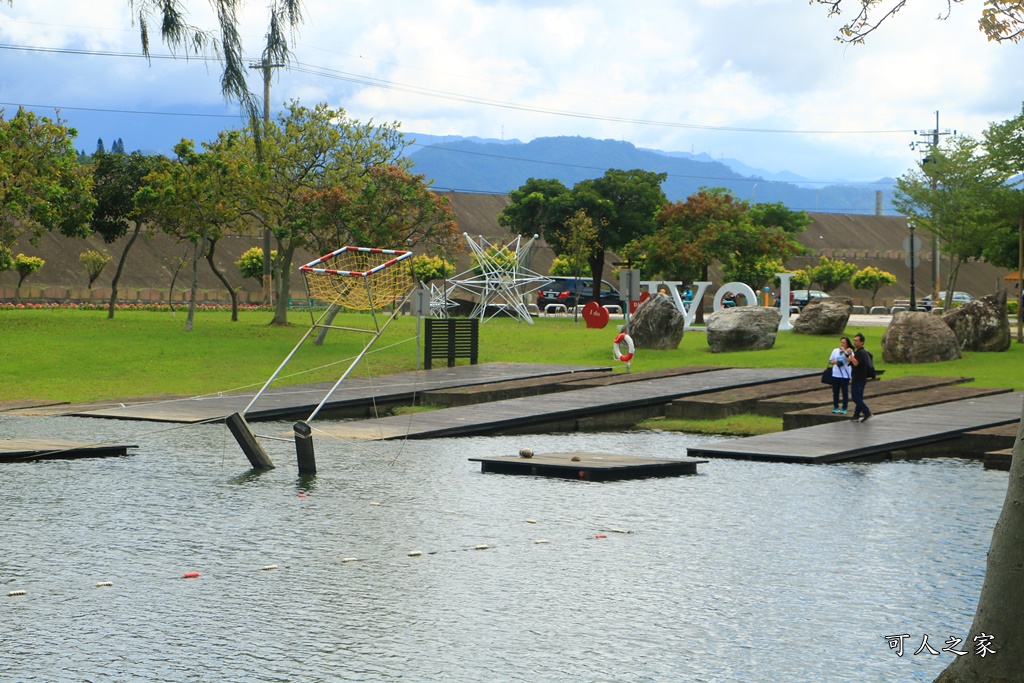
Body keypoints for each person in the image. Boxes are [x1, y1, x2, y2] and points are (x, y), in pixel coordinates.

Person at [849, 332, 873, 423]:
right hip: (861, 378)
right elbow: (850, 361)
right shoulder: (860, 352)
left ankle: (867, 412)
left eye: (856, 341)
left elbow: (855, 363)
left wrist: (851, 354)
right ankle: (856, 415)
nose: (854, 342)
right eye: (854, 340)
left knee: (855, 397)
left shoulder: (860, 353)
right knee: (859, 397)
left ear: (862, 342)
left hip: (858, 378)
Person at [828, 336, 853, 414]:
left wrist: (845, 352)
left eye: (843, 343)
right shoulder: (835, 350)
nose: (841, 344)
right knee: (835, 391)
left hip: (845, 375)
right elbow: (830, 361)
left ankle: (844, 407)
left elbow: (850, 361)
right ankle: (836, 406)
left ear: (847, 344)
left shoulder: (849, 351)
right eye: (841, 342)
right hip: (836, 374)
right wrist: (835, 362)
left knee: (844, 391)